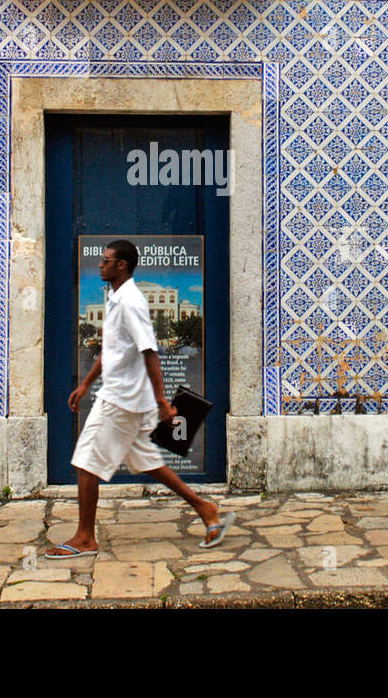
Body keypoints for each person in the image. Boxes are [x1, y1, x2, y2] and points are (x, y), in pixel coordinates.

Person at [45, 239, 233, 558]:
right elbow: (112, 350)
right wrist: (86, 384)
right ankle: (206, 509)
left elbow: (149, 350)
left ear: (121, 266)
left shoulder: (131, 301)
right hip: (123, 396)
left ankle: (86, 538)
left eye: (106, 261)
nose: (100, 264)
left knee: (86, 463)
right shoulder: (115, 298)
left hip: (122, 400)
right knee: (149, 462)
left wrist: (162, 401)